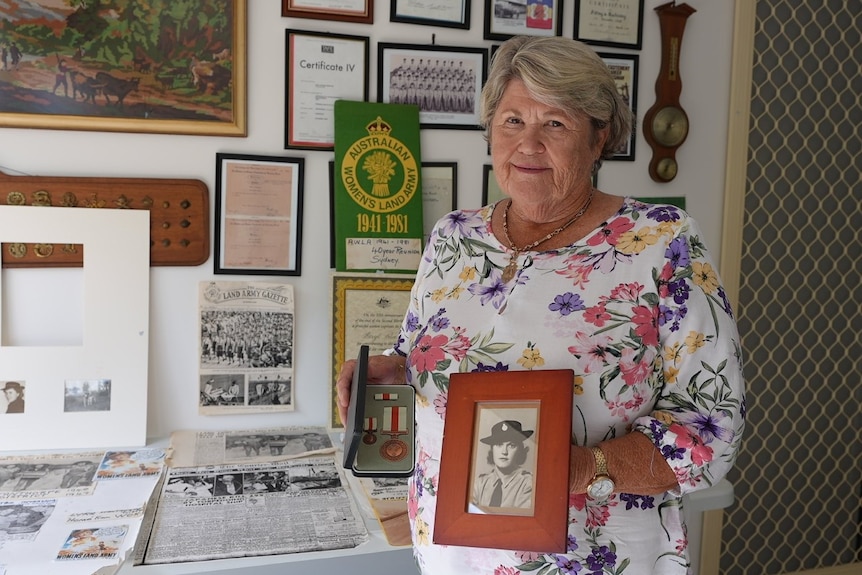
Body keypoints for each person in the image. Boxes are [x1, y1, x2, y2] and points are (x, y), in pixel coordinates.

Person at [336, 35, 745, 575]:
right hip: (452, 551)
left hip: (593, 556)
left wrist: (576, 469)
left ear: (599, 138)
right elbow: (420, 349)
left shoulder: (659, 241)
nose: (528, 145)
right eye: (511, 121)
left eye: (554, 124)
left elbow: (709, 429)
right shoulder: (453, 237)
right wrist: (388, 369)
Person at [472, 420, 534, 510]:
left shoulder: (528, 483)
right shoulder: (480, 483)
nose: (504, 452)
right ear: (492, 449)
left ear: (519, 450)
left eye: (511, 445)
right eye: (499, 444)